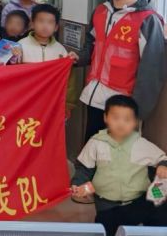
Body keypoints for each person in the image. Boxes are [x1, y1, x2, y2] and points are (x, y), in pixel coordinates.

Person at [77, 0, 166, 142]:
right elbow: (91, 45)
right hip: (95, 94)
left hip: (123, 103)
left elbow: (152, 69)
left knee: (116, 154)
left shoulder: (147, 19)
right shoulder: (100, 11)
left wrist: (138, 109)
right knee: (91, 147)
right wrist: (78, 57)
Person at [71, 95, 167, 235]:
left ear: (135, 122)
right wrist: (78, 183)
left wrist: (163, 165)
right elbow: (84, 167)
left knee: (161, 208)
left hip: (138, 201)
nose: (121, 124)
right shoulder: (96, 143)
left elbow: (162, 158)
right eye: (115, 118)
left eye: (127, 119)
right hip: (107, 206)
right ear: (105, 117)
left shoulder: (140, 144)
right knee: (106, 230)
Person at [19, 4, 78, 118]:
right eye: (41, 21)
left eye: (50, 22)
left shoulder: (60, 51)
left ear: (56, 27)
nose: (45, 26)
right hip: (26, 102)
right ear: (32, 24)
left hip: (52, 103)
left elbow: (69, 80)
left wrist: (67, 104)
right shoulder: (21, 46)